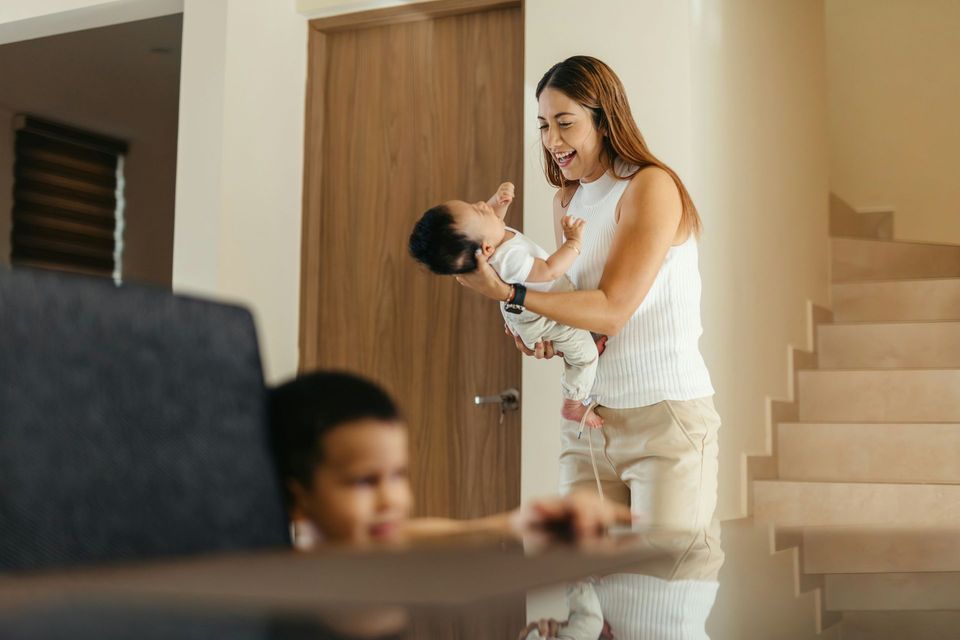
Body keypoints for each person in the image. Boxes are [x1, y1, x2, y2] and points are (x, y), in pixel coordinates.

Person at [456, 55, 720, 530]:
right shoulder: (568, 201)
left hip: (663, 419)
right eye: (542, 126)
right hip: (588, 420)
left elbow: (613, 311)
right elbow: (579, 306)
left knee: (662, 590)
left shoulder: (650, 186)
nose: (552, 141)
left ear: (603, 120)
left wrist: (510, 293)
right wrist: (547, 335)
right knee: (584, 581)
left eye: (565, 123)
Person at [268, 370, 631, 547]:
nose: (392, 499)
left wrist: (518, 523)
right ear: (297, 498)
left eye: (398, 476)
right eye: (365, 481)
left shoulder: (372, 546)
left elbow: (414, 533)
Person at [408, 182, 602, 428]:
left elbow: (491, 223)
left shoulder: (490, 240)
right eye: (479, 210)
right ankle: (573, 403)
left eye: (474, 205)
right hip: (539, 319)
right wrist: (573, 243)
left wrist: (497, 204)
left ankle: (586, 339)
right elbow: (551, 270)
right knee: (585, 356)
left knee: (576, 332)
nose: (482, 204)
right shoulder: (509, 259)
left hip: (525, 309)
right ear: (487, 249)